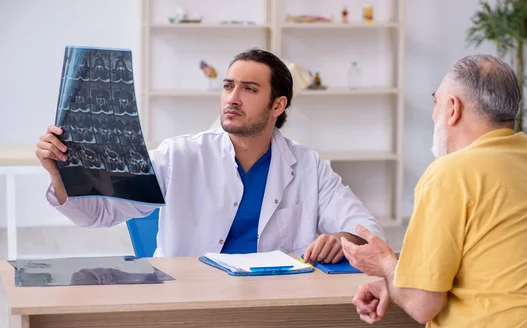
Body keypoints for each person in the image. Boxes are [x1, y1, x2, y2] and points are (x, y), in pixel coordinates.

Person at [336, 54, 527, 328]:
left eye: (435, 103)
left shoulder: (451, 173)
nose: (434, 115)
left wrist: (385, 264)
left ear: (452, 108)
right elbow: (482, 256)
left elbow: (423, 306)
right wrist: (393, 283)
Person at [36, 48, 385, 260]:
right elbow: (98, 213)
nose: (232, 98)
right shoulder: (179, 156)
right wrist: (59, 172)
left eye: (249, 89)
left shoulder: (309, 166)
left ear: (278, 104)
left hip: (273, 302)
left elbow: (366, 229)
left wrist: (343, 237)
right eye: (228, 86)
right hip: (191, 300)